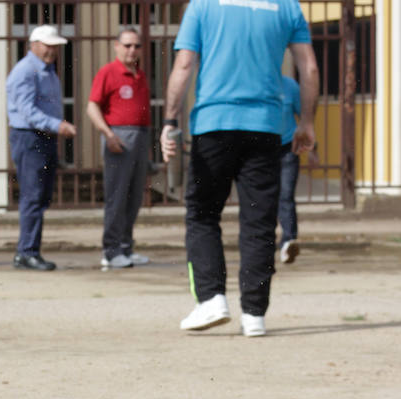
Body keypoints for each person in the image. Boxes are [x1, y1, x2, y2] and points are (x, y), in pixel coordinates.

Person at [161, 0, 319, 337]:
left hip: (213, 126)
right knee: (259, 220)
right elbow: (309, 68)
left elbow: (184, 64)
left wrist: (169, 120)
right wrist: (306, 121)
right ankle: (254, 315)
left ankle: (211, 299)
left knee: (203, 213)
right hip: (265, 128)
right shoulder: (287, 6)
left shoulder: (203, 5)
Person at [6, 24, 77, 271]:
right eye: (48, 45)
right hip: (30, 138)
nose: (52, 51)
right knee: (33, 196)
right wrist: (58, 125)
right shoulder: (25, 71)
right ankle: (27, 252)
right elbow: (29, 112)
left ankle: (29, 250)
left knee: (40, 197)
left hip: (43, 138)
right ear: (34, 44)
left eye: (55, 46)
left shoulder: (47, 71)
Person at [87, 26, 151, 270]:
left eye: (136, 46)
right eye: (127, 45)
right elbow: (92, 107)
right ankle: (111, 250)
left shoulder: (140, 75)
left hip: (140, 136)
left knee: (134, 197)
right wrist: (108, 134)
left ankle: (125, 247)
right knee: (117, 197)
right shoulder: (108, 72)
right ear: (116, 46)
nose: (132, 50)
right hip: (119, 137)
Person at [279, 74, 319, 264]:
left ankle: (288, 241)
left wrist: (313, 149)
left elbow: (305, 118)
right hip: (260, 150)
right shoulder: (254, 84)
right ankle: (263, 241)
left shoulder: (289, 86)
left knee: (286, 195)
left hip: (288, 148)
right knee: (262, 198)